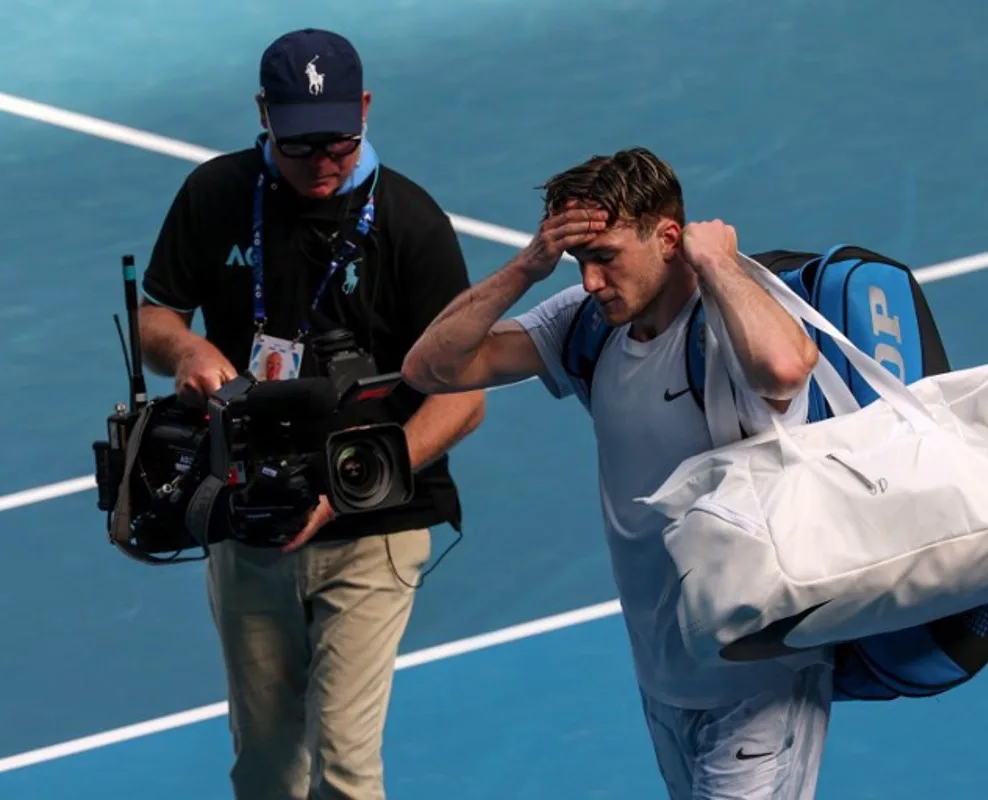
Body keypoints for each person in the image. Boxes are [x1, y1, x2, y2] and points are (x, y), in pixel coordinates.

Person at [401, 147, 834, 799]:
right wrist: (527, 267)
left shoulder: (729, 322)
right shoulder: (589, 325)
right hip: (665, 677)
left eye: (606, 258)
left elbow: (784, 367)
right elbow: (430, 369)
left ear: (667, 238)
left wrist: (715, 258)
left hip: (760, 679)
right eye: (581, 263)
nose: (593, 281)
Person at [137, 28, 486, 800]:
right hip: (250, 515)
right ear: (263, 115)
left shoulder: (411, 224)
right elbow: (155, 315)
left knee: (344, 768)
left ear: (364, 109)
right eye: (301, 149)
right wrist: (188, 351)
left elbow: (463, 396)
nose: (324, 166)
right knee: (265, 767)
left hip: (374, 524)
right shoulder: (216, 195)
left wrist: (364, 474)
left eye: (340, 144)